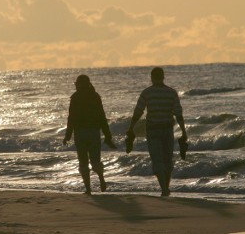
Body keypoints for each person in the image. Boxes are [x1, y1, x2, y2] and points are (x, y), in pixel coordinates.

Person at [126, 67, 187, 196]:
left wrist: (131, 127)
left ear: (152, 77)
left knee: (157, 160)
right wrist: (183, 131)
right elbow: (178, 113)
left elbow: (138, 112)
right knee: (167, 160)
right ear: (163, 77)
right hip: (167, 129)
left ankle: (164, 188)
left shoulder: (147, 93)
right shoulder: (171, 93)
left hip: (153, 130)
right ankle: (166, 187)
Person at [63, 74, 117, 195]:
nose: (76, 85)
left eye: (77, 83)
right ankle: (101, 179)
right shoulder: (95, 96)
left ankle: (88, 189)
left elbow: (71, 118)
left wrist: (67, 135)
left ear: (80, 84)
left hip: (80, 134)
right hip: (94, 133)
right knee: (95, 161)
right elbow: (102, 117)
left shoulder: (75, 98)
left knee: (83, 162)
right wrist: (107, 135)